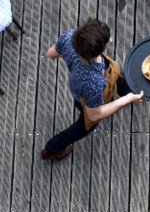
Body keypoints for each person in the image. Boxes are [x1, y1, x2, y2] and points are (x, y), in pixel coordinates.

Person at [41, 18, 144, 161]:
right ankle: (52, 148)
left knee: (119, 79)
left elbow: (50, 54)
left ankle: (129, 91)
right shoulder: (93, 83)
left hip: (90, 82)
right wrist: (127, 99)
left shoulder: (69, 37)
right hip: (88, 98)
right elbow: (95, 114)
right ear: (100, 49)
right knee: (84, 127)